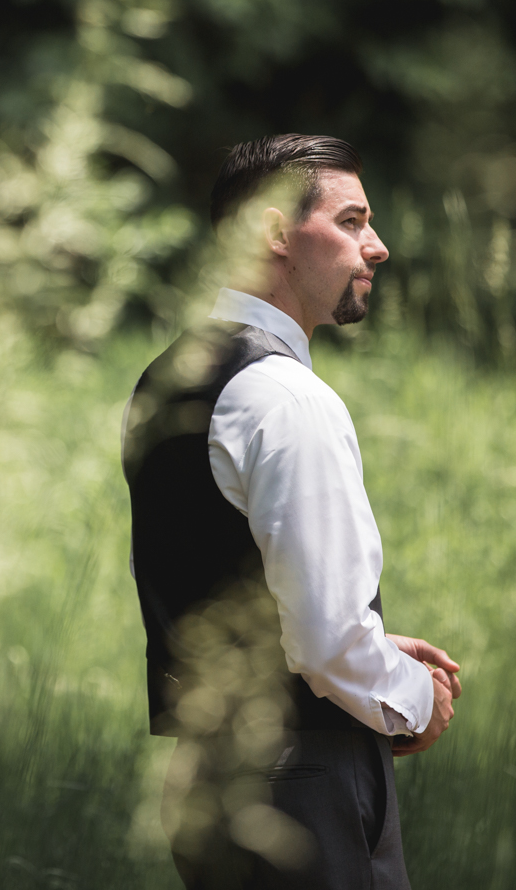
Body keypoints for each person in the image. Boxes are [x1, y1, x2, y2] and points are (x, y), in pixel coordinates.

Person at [121, 135, 461, 890]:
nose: (377, 246)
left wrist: (369, 645)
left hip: (207, 773)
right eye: (351, 221)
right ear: (276, 233)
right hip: (303, 783)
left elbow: (214, 574)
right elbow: (326, 642)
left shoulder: (165, 380)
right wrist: (413, 701)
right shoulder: (286, 396)